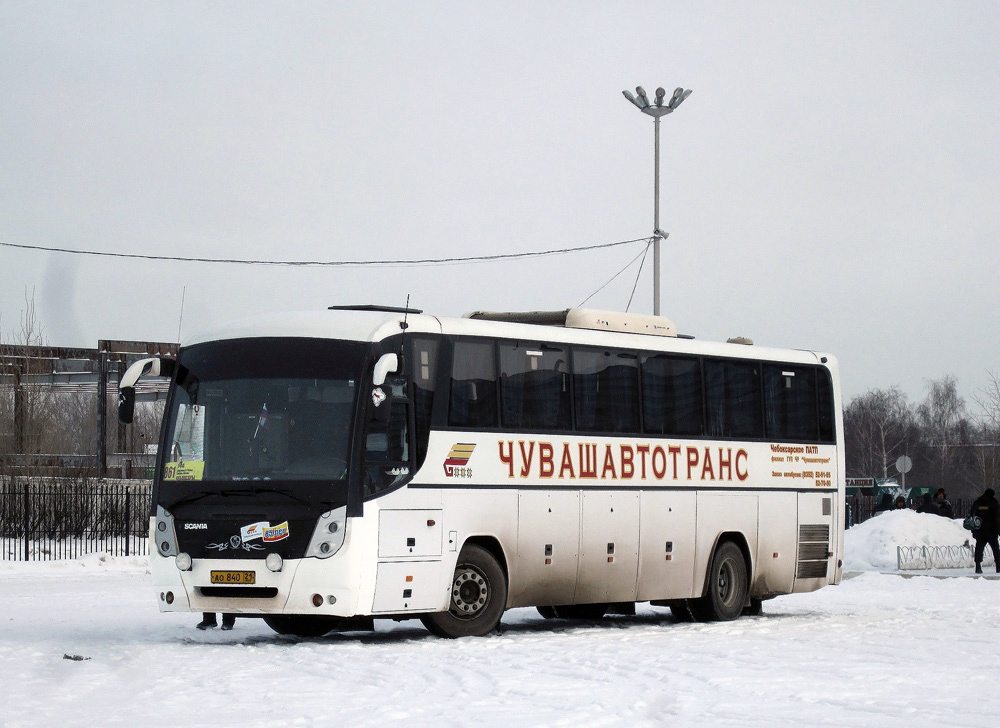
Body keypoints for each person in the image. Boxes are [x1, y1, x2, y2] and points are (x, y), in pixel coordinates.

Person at [970, 488, 1000, 574]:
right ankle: (998, 566)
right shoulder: (994, 503)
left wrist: (973, 530)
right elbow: (997, 519)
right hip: (992, 531)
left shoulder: (978, 502)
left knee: (979, 548)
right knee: (995, 549)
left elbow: (972, 515)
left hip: (980, 530)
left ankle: (978, 566)